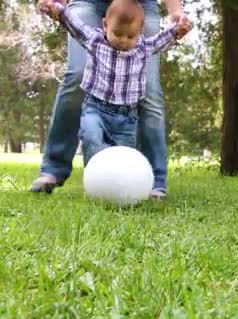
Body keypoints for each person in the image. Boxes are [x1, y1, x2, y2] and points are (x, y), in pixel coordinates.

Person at [31, 0, 187, 200]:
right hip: (90, 2)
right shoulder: (96, 40)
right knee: (78, 75)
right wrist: (57, 7)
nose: (123, 41)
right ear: (104, 26)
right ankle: (55, 169)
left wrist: (176, 16)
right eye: (120, 36)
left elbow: (159, 42)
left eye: (130, 36)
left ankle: (153, 182)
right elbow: (74, 25)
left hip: (141, 5)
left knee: (149, 90)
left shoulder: (143, 46)